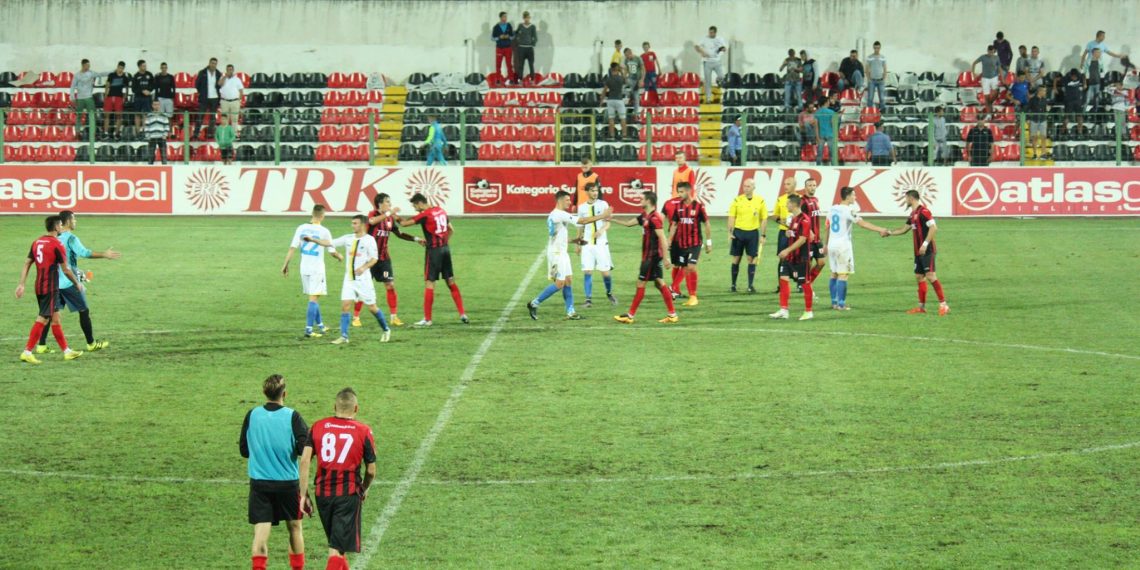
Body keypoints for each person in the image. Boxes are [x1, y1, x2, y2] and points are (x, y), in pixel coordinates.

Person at [297, 388, 377, 570]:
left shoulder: (317, 426)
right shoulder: (363, 431)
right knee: (335, 549)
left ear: (335, 406)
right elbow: (371, 470)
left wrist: (303, 495)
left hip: (322, 495)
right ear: (356, 408)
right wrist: (364, 488)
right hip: (347, 495)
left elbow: (304, 461)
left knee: (337, 546)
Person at [238, 374, 310, 570]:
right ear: (284, 393)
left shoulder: (252, 414)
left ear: (264, 393)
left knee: (260, 532)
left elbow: (244, 450)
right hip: (288, 483)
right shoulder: (293, 416)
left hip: (260, 484)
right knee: (295, 528)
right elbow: (306, 450)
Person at [31, 210, 121, 355]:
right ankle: (91, 343)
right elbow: (84, 253)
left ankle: (41, 345)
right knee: (84, 310)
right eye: (74, 219)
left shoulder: (52, 238)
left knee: (49, 313)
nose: (75, 221)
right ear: (66, 221)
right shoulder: (71, 238)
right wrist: (104, 254)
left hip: (53, 283)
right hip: (68, 282)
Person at [303, 216, 391, 344]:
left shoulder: (369, 240)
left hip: (363, 281)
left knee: (372, 307)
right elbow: (330, 242)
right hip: (349, 280)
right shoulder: (348, 238)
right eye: (352, 223)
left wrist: (364, 267)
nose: (352, 225)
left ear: (363, 225)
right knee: (345, 306)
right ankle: (344, 336)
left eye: (355, 223)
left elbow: (374, 259)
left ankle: (386, 329)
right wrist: (313, 240)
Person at [526, 191, 610, 320]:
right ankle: (534, 303)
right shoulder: (559, 214)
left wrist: (574, 241)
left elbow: (556, 235)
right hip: (556, 254)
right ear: (559, 200)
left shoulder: (555, 215)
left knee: (568, 280)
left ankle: (570, 312)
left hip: (562, 252)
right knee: (560, 284)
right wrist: (602, 215)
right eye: (567, 200)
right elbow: (581, 221)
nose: (570, 202)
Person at [16, 215, 85, 364]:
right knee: (43, 318)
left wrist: (21, 284)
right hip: (50, 287)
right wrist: (76, 284)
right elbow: (66, 269)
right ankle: (27, 351)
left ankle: (67, 351)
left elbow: (27, 263)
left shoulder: (37, 242)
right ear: (55, 227)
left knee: (55, 318)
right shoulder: (57, 244)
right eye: (60, 225)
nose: (62, 227)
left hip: (39, 285)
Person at [396, 193, 468, 327]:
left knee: (430, 283)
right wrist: (443, 242)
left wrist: (394, 215)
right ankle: (462, 313)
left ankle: (427, 319)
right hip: (445, 249)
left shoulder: (425, 214)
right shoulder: (441, 210)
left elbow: (404, 224)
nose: (415, 209)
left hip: (433, 252)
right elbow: (451, 230)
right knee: (450, 281)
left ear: (419, 203)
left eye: (414, 206)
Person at [612, 192, 678, 324]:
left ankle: (630, 315)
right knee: (659, 283)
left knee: (640, 284)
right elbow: (628, 223)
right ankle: (672, 315)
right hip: (651, 257)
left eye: (642, 199)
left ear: (648, 201)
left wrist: (666, 258)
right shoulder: (644, 216)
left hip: (651, 258)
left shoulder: (655, 218)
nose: (639, 200)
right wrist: (611, 219)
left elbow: (663, 238)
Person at [352, 193, 415, 328]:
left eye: (390, 202)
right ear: (380, 203)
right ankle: (356, 317)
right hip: (368, 259)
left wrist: (416, 239)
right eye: (387, 202)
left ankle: (394, 317)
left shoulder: (389, 219)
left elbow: (400, 234)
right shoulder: (372, 214)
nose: (390, 204)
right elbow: (372, 222)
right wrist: (390, 213)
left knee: (390, 285)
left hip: (383, 258)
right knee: (363, 288)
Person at [883, 190, 950, 316]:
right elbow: (904, 229)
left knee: (930, 276)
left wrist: (925, 244)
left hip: (927, 250)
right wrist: (889, 233)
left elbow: (933, 227)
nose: (905, 201)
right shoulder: (913, 214)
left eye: (906, 198)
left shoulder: (923, 211)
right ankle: (921, 307)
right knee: (920, 277)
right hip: (918, 252)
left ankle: (944, 305)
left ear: (911, 198)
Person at [281, 204, 342, 338]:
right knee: (314, 298)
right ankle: (308, 329)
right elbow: (331, 251)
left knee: (314, 296)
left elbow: (292, 248)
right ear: (322, 216)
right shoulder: (324, 231)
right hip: (317, 269)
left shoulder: (301, 228)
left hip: (304, 268)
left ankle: (320, 326)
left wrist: (285, 264)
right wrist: (339, 256)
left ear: (312, 214)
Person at [825, 187, 889, 310]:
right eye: (854, 195)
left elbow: (827, 227)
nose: (855, 197)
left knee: (834, 273)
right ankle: (841, 304)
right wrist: (881, 229)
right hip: (843, 247)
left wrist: (825, 244)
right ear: (847, 196)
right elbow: (863, 224)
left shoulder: (832, 208)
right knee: (843, 275)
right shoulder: (849, 210)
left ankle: (834, 302)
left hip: (832, 245)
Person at [665, 182, 711, 306]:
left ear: (688, 191)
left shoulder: (698, 206)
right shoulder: (678, 207)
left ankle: (676, 288)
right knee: (687, 267)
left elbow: (706, 223)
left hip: (695, 243)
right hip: (682, 243)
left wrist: (709, 241)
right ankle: (691, 296)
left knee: (690, 266)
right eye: (678, 192)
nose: (679, 194)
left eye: (681, 192)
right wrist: (669, 239)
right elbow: (674, 224)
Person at [769, 194, 814, 321]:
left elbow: (803, 239)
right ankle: (784, 310)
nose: (786, 205)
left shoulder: (804, 219)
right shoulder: (793, 219)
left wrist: (786, 250)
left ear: (794, 205)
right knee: (783, 279)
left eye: (788, 203)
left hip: (801, 257)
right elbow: (796, 233)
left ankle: (808, 311)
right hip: (790, 257)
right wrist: (790, 233)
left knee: (805, 283)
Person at [575, 182, 618, 308]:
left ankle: (609, 293)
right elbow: (580, 226)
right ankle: (588, 299)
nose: (595, 193)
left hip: (601, 243)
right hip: (587, 244)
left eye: (596, 190)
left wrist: (601, 230)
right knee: (587, 271)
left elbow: (608, 223)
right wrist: (578, 244)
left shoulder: (603, 204)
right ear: (587, 192)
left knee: (605, 272)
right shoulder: (582, 207)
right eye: (593, 190)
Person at [726, 178, 768, 294]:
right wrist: (730, 232)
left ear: (754, 187)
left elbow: (764, 218)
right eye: (744, 186)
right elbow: (731, 217)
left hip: (753, 233)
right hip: (738, 232)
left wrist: (763, 235)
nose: (745, 188)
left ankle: (750, 286)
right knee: (736, 258)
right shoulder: (737, 200)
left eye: (748, 186)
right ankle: (733, 285)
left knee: (751, 259)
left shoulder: (760, 201)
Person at [798, 178, 827, 285]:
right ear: (805, 187)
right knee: (807, 264)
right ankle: (805, 286)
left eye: (814, 185)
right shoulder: (802, 201)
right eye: (809, 185)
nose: (812, 187)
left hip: (817, 239)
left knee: (822, 262)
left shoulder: (816, 200)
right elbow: (801, 219)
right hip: (808, 240)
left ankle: (807, 284)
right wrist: (809, 231)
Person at [769, 178, 794, 292]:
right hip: (783, 232)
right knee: (782, 258)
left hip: (797, 233)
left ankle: (800, 283)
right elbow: (774, 216)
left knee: (799, 258)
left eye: (788, 184)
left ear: (794, 185)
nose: (785, 186)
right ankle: (781, 285)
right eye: (784, 184)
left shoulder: (799, 199)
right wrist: (782, 221)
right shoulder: (780, 199)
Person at [695, 26, 727, 103]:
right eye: (709, 32)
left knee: (722, 76)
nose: (710, 33)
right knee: (708, 81)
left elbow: (724, 48)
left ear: (715, 32)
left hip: (717, 62)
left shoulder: (720, 39)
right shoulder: (704, 38)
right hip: (707, 62)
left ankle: (717, 80)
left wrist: (721, 49)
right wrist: (702, 52)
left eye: (712, 32)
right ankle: (708, 98)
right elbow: (696, 46)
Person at [193, 57, 223, 138]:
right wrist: (202, 92)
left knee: (212, 118)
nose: (213, 65)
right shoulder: (202, 72)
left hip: (215, 98)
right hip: (204, 98)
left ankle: (210, 134)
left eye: (215, 64)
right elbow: (197, 84)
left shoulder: (218, 73)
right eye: (212, 63)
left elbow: (220, 86)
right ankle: (196, 134)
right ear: (209, 63)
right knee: (200, 117)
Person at [70, 59, 98, 137]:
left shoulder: (91, 73)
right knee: (78, 116)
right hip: (80, 98)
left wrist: (112, 71)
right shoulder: (77, 75)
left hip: (89, 97)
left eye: (89, 65)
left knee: (92, 116)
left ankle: (93, 133)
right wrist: (72, 97)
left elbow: (101, 74)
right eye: (87, 65)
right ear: (83, 65)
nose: (89, 67)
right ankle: (77, 132)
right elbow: (72, 86)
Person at [102, 61, 129, 140]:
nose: (120, 69)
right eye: (119, 67)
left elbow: (126, 89)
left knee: (119, 116)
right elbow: (107, 86)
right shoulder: (111, 75)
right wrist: (106, 96)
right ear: (117, 67)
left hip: (119, 98)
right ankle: (105, 133)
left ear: (123, 69)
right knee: (106, 115)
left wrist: (124, 98)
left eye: (122, 68)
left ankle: (116, 133)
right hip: (109, 97)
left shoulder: (125, 78)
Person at [972, 45, 1002, 113]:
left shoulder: (997, 57)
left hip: (994, 77)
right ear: (987, 51)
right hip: (985, 78)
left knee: (996, 93)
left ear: (994, 51)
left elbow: (999, 67)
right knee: (986, 97)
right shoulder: (983, 57)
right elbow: (974, 63)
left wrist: (1002, 78)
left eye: (992, 52)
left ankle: (990, 104)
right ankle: (989, 113)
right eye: (990, 52)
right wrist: (973, 73)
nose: (991, 53)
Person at [601, 63, 628, 140]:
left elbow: (604, 91)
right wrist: (623, 71)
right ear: (617, 69)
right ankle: (624, 136)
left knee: (611, 119)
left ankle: (612, 136)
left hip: (610, 100)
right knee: (623, 118)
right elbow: (625, 80)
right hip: (619, 100)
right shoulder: (620, 78)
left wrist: (601, 101)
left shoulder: (608, 79)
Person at [219, 64, 245, 135]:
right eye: (228, 70)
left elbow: (241, 91)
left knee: (234, 119)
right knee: (224, 119)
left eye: (231, 70)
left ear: (233, 70)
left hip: (235, 101)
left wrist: (238, 100)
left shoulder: (237, 79)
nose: (229, 71)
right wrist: (224, 77)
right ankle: (225, 134)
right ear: (226, 70)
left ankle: (234, 134)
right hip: (224, 101)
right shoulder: (223, 78)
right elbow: (219, 84)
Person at [1026, 85, 1050, 159]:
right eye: (1044, 91)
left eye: (1045, 91)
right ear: (1040, 91)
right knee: (1034, 137)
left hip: (1043, 120)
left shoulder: (1045, 100)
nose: (1045, 92)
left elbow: (1045, 110)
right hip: (1034, 120)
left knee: (1043, 137)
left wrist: (1047, 111)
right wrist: (1028, 118)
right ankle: (1035, 154)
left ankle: (1043, 153)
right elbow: (1027, 109)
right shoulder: (1032, 99)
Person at [144, 100, 170, 164]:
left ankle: (165, 167)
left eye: (157, 104)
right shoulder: (149, 116)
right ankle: (150, 168)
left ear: (159, 105)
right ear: (152, 106)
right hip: (152, 137)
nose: (156, 106)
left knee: (163, 154)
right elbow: (146, 126)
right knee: (151, 155)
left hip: (161, 137)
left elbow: (166, 126)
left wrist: (165, 135)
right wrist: (148, 136)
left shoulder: (164, 115)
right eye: (155, 105)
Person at [513, 11, 537, 84]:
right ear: (523, 18)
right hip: (521, 48)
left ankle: (532, 79)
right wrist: (518, 40)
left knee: (531, 64)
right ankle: (520, 79)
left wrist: (532, 43)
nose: (527, 19)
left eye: (528, 17)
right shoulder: (520, 25)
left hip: (529, 48)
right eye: (525, 18)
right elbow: (516, 33)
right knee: (520, 65)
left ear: (529, 18)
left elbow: (535, 37)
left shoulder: (532, 26)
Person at [814, 94, 838, 165]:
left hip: (821, 134)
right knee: (832, 152)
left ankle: (818, 166)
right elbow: (833, 124)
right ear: (826, 102)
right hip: (830, 134)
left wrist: (817, 137)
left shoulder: (817, 113)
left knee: (819, 152)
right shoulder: (831, 112)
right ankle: (834, 166)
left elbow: (816, 126)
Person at [131, 60, 154, 133]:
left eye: (145, 65)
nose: (145, 67)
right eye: (143, 66)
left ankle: (145, 131)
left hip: (147, 98)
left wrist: (149, 90)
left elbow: (153, 85)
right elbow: (133, 89)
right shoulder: (136, 76)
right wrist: (142, 91)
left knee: (146, 114)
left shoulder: (149, 74)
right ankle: (138, 132)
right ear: (139, 66)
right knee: (137, 114)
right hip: (138, 98)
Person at [491, 12, 515, 83]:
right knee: (498, 64)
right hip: (499, 48)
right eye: (504, 17)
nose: (505, 18)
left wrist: (509, 37)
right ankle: (498, 79)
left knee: (509, 64)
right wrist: (499, 37)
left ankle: (511, 79)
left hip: (508, 48)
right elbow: (492, 38)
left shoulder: (509, 26)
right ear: (501, 17)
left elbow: (513, 36)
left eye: (506, 17)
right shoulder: (496, 27)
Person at [865, 41, 888, 111]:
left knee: (882, 98)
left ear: (880, 48)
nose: (876, 49)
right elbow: (867, 68)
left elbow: (885, 68)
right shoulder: (870, 57)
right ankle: (869, 111)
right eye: (875, 48)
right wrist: (868, 78)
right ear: (873, 48)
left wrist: (884, 78)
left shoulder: (883, 57)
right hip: (872, 81)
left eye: (878, 48)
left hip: (881, 81)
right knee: (870, 98)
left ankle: (882, 111)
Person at [623, 47, 644, 117]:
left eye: (627, 55)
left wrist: (642, 80)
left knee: (636, 97)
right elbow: (626, 69)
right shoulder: (626, 60)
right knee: (621, 88)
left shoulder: (638, 59)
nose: (626, 57)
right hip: (630, 79)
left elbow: (643, 70)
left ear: (630, 53)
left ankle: (635, 114)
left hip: (637, 79)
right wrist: (624, 76)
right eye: (625, 55)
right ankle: (630, 94)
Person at [641, 42, 660, 107]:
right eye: (644, 47)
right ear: (643, 48)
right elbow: (641, 66)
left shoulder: (652, 54)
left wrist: (659, 69)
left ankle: (656, 101)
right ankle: (647, 101)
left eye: (647, 47)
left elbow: (656, 62)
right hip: (645, 73)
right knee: (646, 87)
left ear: (649, 47)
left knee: (654, 86)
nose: (645, 48)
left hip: (652, 72)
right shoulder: (642, 56)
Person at [1086, 48, 1104, 113]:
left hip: (1097, 83)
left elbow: (1102, 72)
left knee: (1096, 100)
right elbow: (1085, 72)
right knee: (1087, 99)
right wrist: (1085, 82)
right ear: (1093, 53)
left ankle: (1095, 112)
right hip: (1090, 83)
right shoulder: (1088, 61)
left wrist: (1102, 83)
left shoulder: (1100, 61)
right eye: (1098, 52)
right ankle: (1083, 114)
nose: (1099, 54)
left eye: (1100, 52)